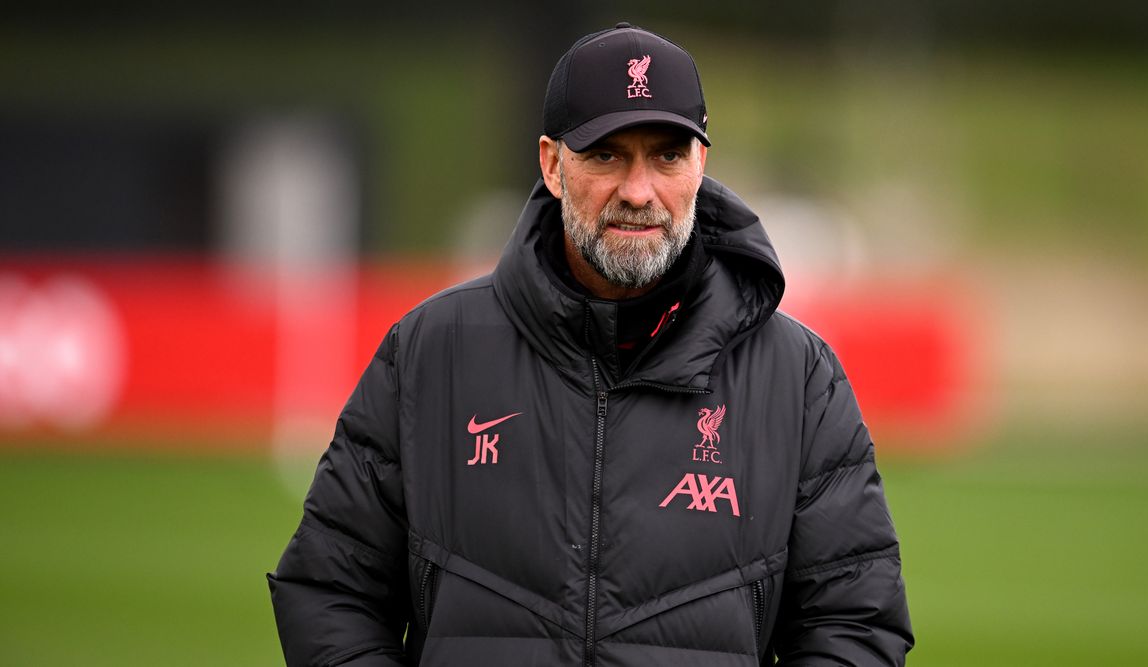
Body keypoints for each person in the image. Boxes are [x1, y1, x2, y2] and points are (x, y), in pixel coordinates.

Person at [269, 22, 913, 666]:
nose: (638, 191)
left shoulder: (796, 377)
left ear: (700, 165)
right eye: (606, 155)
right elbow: (330, 592)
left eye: (667, 155)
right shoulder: (429, 355)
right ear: (552, 164)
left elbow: (854, 623)